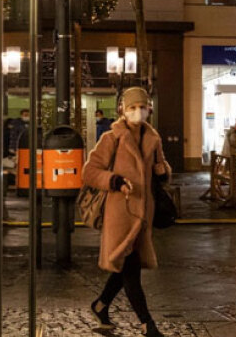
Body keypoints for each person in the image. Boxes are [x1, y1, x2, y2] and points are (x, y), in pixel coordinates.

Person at [85, 87, 170, 337]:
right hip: (120, 213)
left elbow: (161, 169)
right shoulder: (112, 138)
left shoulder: (154, 139)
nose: (137, 112)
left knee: (123, 268)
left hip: (144, 213)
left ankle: (100, 305)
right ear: (122, 110)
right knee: (130, 270)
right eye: (132, 107)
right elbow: (89, 172)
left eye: (142, 107)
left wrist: (163, 171)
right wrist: (115, 181)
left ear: (149, 109)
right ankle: (148, 325)